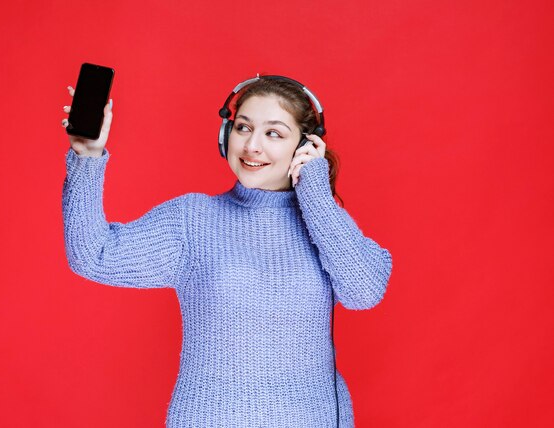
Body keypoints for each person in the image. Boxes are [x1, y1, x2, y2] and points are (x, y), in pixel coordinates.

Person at [60, 75, 393, 427]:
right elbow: (92, 255)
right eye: (243, 128)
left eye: (274, 133)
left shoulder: (324, 224)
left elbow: (365, 291)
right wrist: (87, 156)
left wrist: (315, 193)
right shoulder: (192, 220)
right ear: (225, 135)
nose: (252, 146)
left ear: (304, 147)